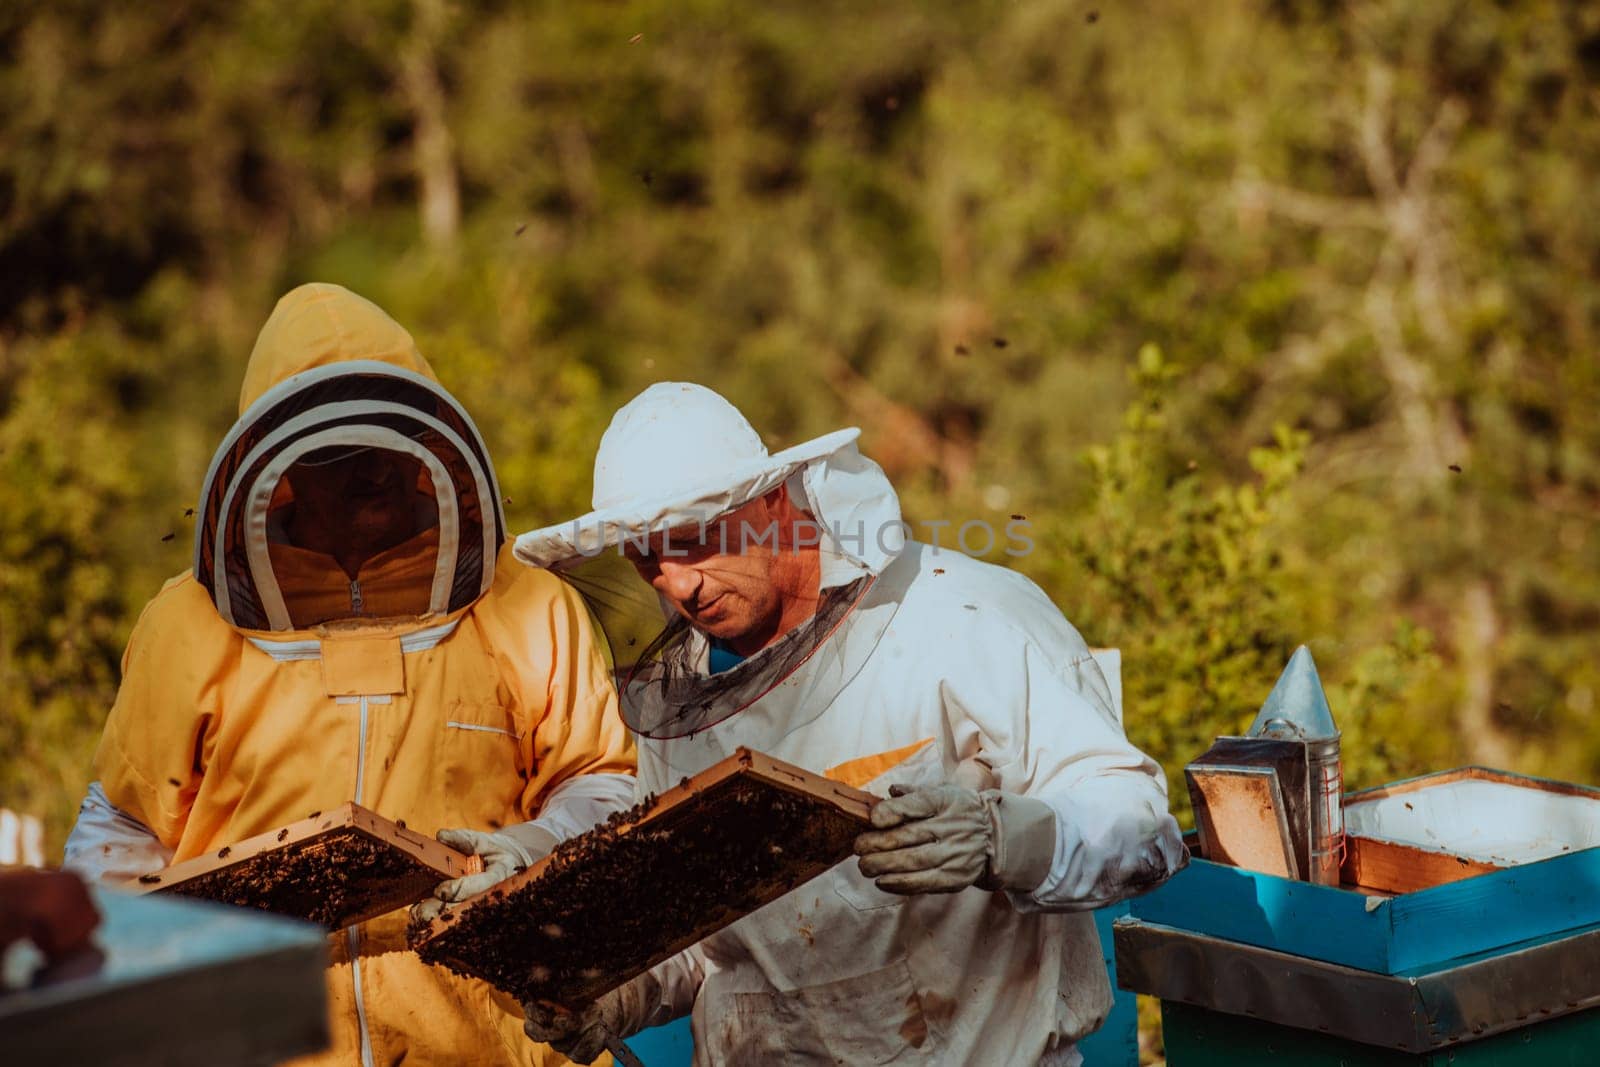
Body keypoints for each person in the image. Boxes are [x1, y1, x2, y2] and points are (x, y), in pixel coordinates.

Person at [511, 382, 1189, 1066]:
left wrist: (1002, 837)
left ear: (772, 501)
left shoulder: (961, 615)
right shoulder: (684, 696)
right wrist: (621, 994)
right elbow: (711, 938)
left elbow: (1137, 823)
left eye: (694, 541)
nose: (678, 585)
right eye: (647, 559)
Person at [62, 283, 636, 1067]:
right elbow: (123, 834)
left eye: (386, 443)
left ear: (426, 449)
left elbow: (602, 784)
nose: (369, 472)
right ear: (285, 475)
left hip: (490, 1043)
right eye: (335, 457)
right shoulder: (186, 625)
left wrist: (537, 843)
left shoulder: (526, 604)